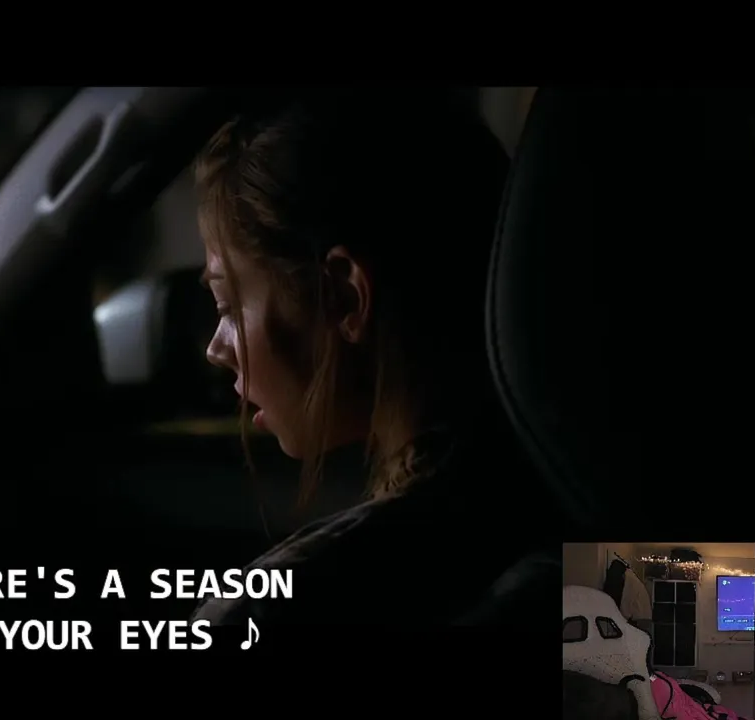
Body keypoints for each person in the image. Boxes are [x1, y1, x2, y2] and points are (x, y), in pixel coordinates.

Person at [191, 90, 555, 627]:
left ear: (344, 297)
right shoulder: (638, 577)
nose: (216, 349)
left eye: (227, 304)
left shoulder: (280, 614)